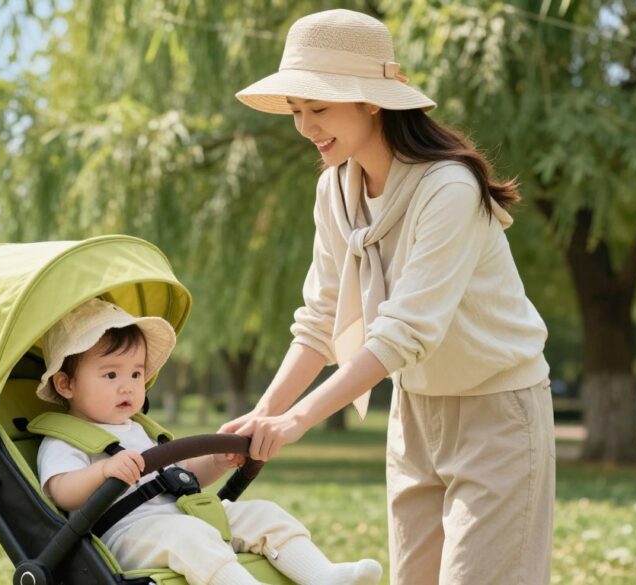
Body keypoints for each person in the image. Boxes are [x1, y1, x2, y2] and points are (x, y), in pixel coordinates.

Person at [223, 9, 556, 585]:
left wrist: (300, 419)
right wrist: (267, 411)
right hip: (414, 415)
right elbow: (321, 320)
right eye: (297, 111)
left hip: (498, 412)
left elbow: (405, 330)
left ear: (370, 100)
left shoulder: (447, 188)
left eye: (319, 108)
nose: (305, 127)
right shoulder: (335, 189)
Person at [35, 298, 382, 585]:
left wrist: (216, 461)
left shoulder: (136, 429)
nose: (128, 385)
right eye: (111, 374)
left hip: (179, 513)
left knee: (262, 513)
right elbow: (61, 490)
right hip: (126, 534)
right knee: (191, 538)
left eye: (136, 373)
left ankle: (323, 576)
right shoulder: (64, 440)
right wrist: (103, 472)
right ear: (66, 385)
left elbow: (180, 476)